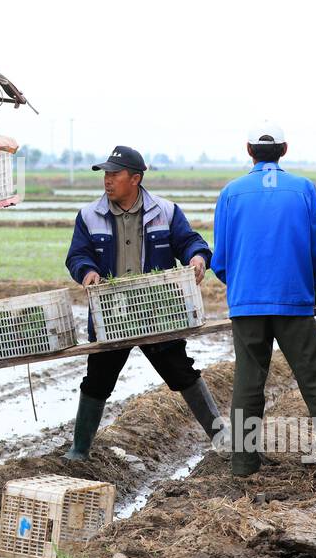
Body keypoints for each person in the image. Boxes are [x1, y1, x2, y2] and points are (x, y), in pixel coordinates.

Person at [61, 145, 222, 461]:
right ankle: (79, 451)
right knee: (97, 382)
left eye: (114, 174)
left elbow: (191, 243)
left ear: (135, 179)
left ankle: (222, 438)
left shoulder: (165, 211)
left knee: (183, 373)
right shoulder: (89, 215)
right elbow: (77, 255)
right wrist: (88, 272)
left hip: (156, 313)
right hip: (112, 313)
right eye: (105, 174)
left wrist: (198, 260)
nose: (107, 180)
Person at [210, 123, 316, 477]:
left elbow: (222, 259)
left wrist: (242, 288)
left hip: (247, 303)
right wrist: (308, 287)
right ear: (285, 150)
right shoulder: (303, 189)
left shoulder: (231, 193)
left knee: (248, 382)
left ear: (249, 150)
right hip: (293, 299)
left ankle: (243, 463)